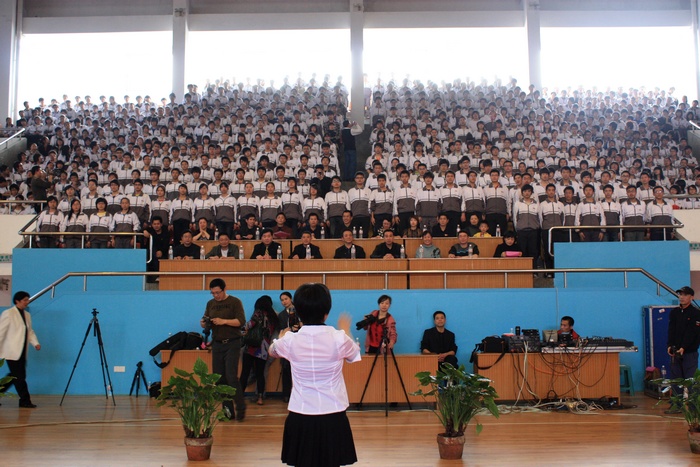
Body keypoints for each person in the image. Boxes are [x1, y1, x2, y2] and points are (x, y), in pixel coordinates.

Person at [269, 283, 360, 467]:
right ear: (326, 313)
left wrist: (281, 337)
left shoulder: (290, 340)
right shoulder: (339, 337)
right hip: (332, 414)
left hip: (301, 414)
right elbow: (354, 354)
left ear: (298, 311)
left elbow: (272, 351)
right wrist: (346, 329)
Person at [200, 278, 247, 421]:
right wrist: (204, 323)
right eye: (213, 293)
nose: (216, 296)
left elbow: (241, 321)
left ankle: (240, 407)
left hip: (232, 343)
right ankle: (227, 411)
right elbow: (205, 319)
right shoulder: (210, 304)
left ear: (224, 289)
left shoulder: (235, 302)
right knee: (219, 378)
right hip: (217, 344)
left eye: (218, 292)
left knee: (231, 377)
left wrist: (223, 321)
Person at [0, 291, 41, 408]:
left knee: (14, 376)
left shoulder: (27, 315)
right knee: (19, 377)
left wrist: (35, 343)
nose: (27, 302)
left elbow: (30, 332)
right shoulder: (8, 313)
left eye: (27, 300)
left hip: (22, 351)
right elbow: (1, 332)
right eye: (25, 300)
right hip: (12, 351)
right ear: (17, 301)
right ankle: (25, 400)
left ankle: (22, 400)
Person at [239, 295, 279, 406]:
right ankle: (260, 398)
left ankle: (240, 397)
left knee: (245, 372)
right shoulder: (273, 317)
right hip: (264, 349)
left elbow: (250, 324)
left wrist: (241, 329)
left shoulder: (258, 313)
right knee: (260, 374)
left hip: (252, 346)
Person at [666, 286, 700, 412]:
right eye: (680, 294)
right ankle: (676, 405)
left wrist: (683, 347)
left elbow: (693, 333)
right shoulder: (674, 312)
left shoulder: (696, 313)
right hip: (676, 353)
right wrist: (670, 345)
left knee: (690, 380)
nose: (681, 297)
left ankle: (694, 407)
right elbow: (671, 330)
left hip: (689, 353)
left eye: (685, 295)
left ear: (691, 297)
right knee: (676, 380)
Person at [277, 291, 299, 402]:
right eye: (282, 300)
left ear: (291, 299)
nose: (284, 302)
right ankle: (286, 394)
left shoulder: (300, 311)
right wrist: (288, 329)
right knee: (286, 369)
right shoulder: (281, 315)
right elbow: (281, 329)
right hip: (287, 343)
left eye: (286, 299)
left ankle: (299, 394)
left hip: (299, 343)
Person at [143, 215, 170, 282]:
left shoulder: (165, 232)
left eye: (158, 224)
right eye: (154, 224)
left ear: (161, 224)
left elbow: (166, 244)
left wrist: (161, 251)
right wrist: (144, 231)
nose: (156, 226)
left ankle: (159, 276)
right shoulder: (149, 230)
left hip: (163, 252)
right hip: (151, 252)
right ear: (152, 225)